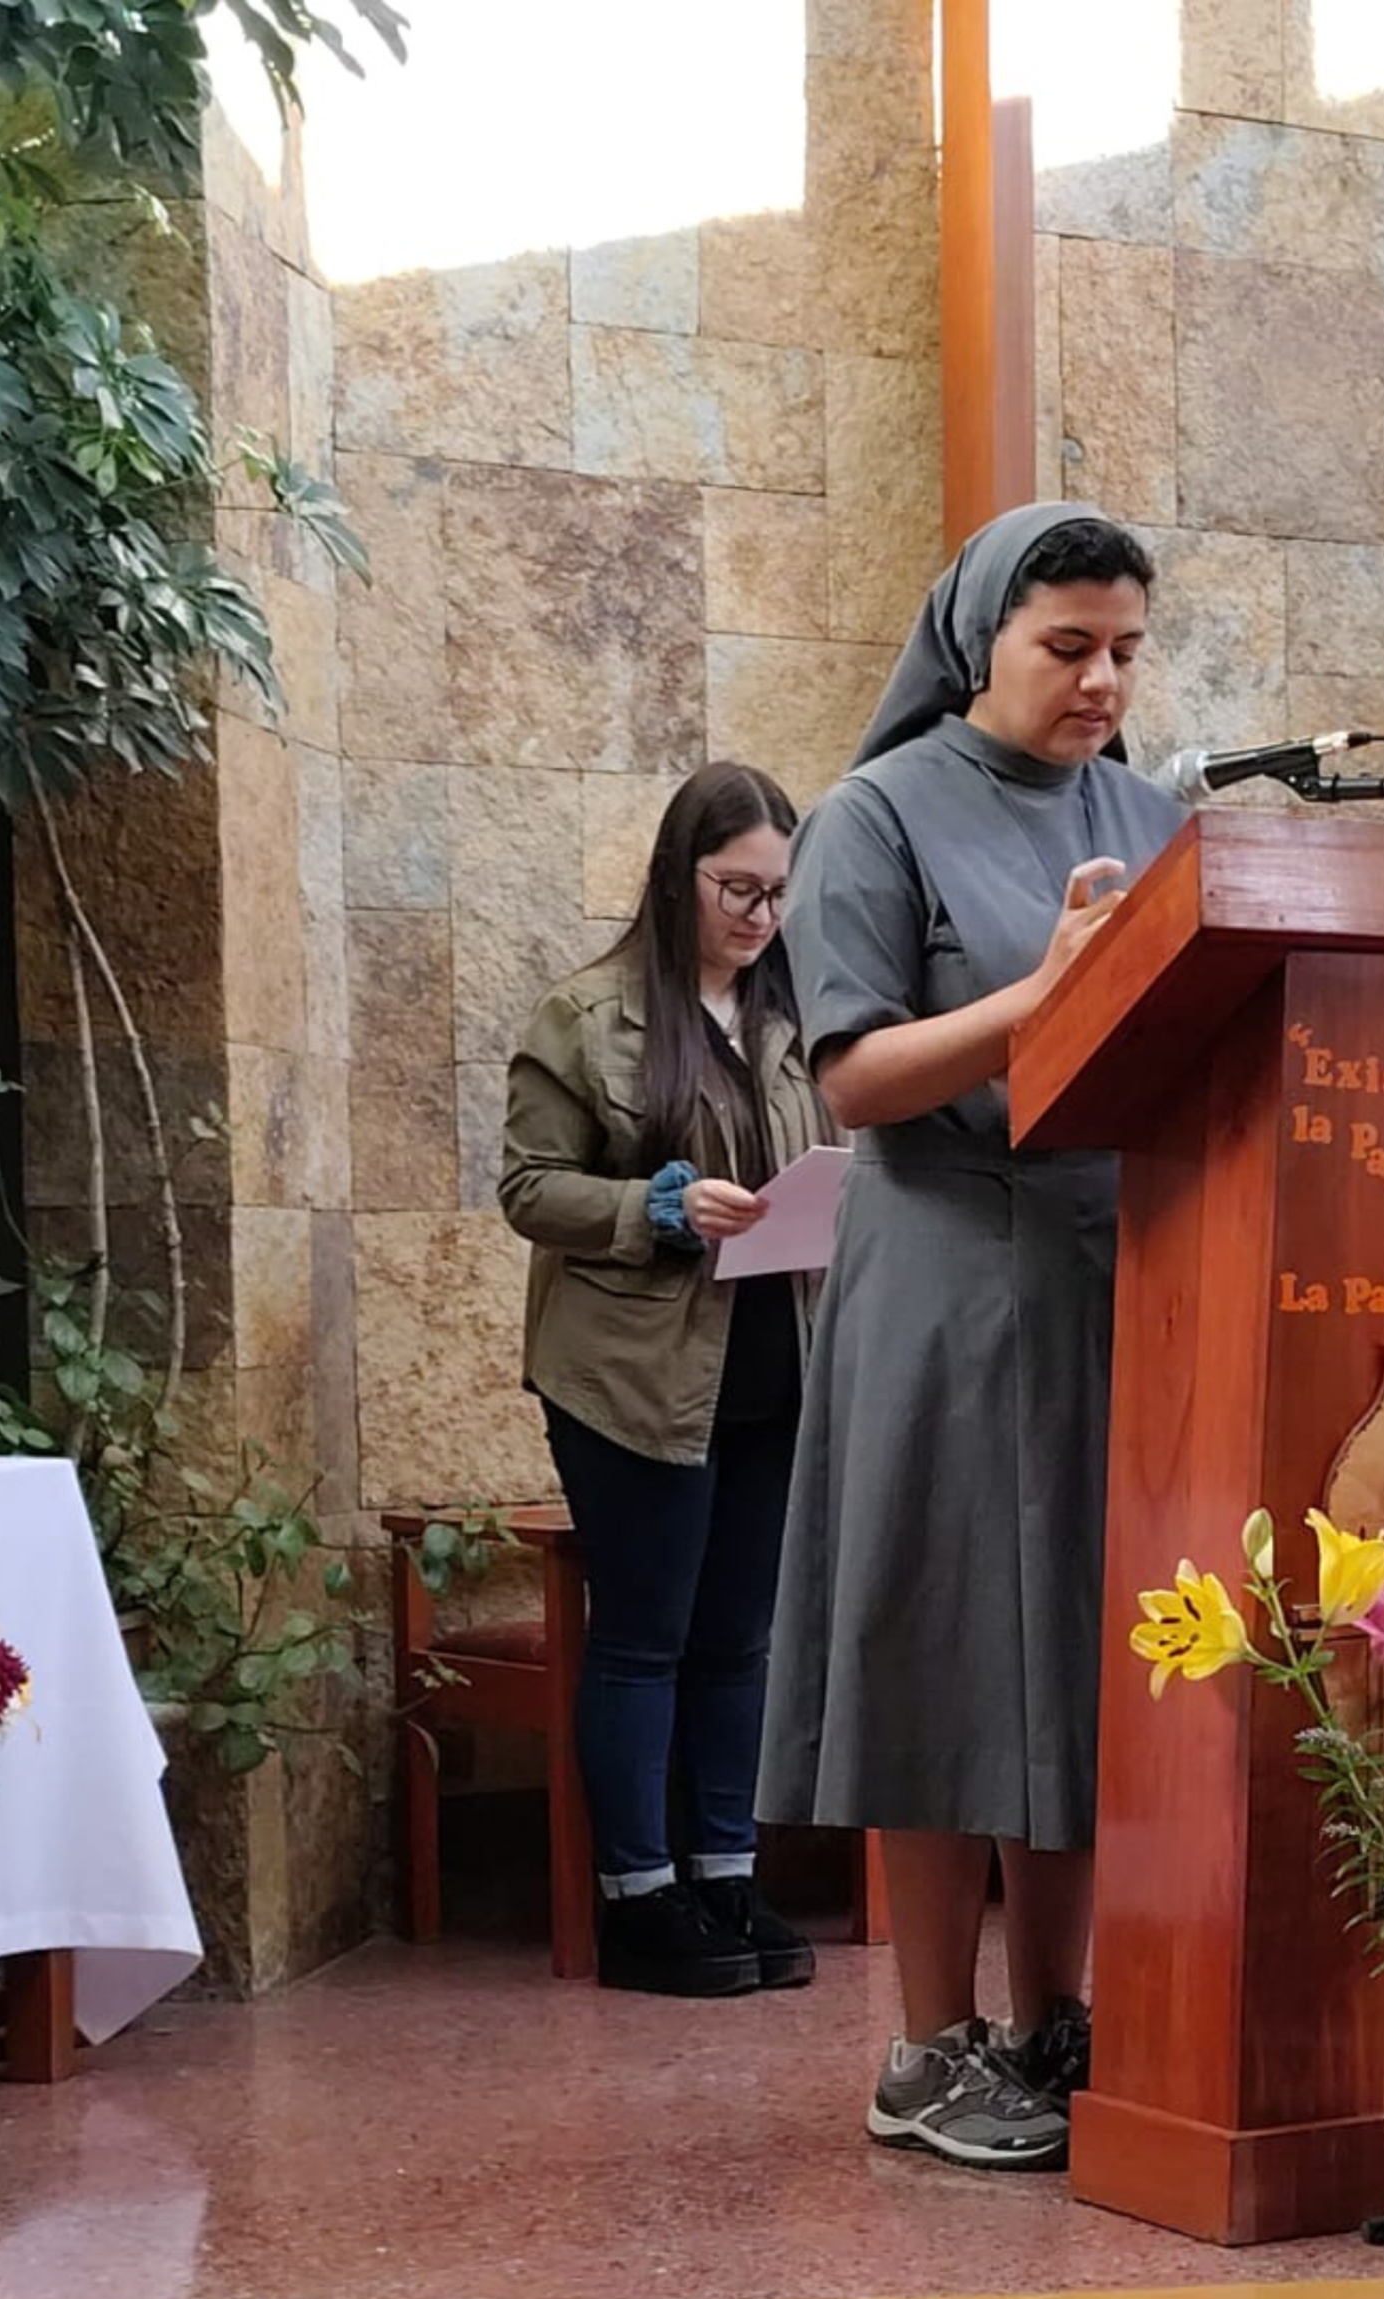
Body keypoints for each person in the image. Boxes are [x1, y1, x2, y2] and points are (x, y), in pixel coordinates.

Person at [759, 502, 1185, 2168]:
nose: (1102, 682)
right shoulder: (874, 816)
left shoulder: (1150, 815)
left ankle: (1050, 2019)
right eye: (1066, 647)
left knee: (1075, 1656)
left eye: (1126, 650)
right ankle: (928, 2049)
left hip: (1113, 1261)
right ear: (975, 642)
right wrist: (1042, 995)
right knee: (942, 1647)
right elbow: (853, 1077)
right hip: (942, 1266)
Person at [499, 762, 833, 1999]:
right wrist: (658, 1205)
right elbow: (529, 1188)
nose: (759, 916)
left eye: (778, 894)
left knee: (739, 1637)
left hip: (771, 1358)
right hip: (629, 1372)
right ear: (676, 876)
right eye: (737, 889)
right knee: (645, 1635)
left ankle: (725, 1873)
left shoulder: (792, 1020)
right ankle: (639, 1895)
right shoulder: (587, 1017)